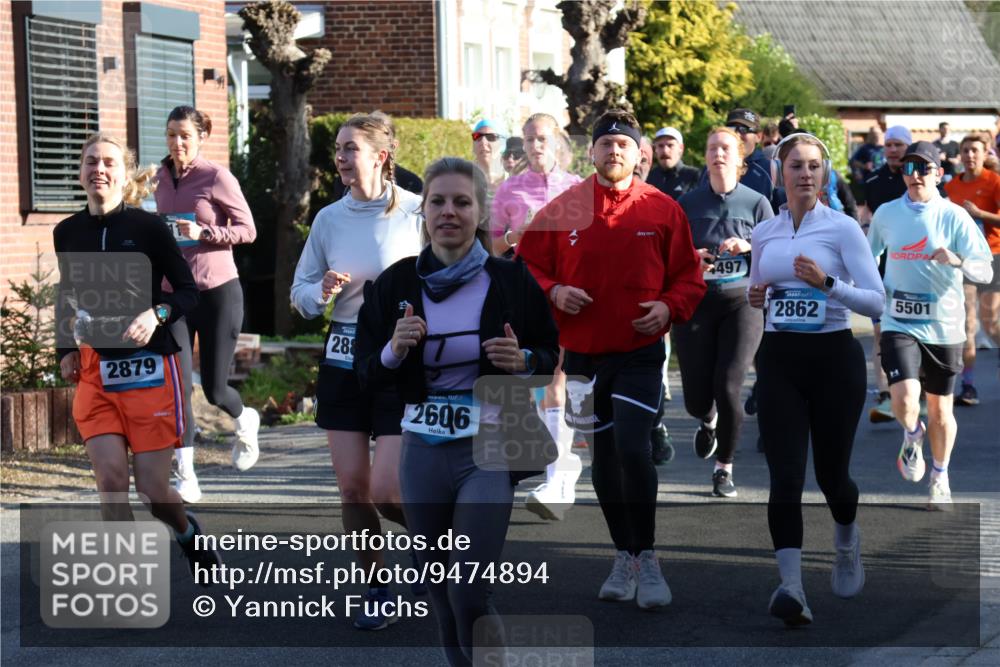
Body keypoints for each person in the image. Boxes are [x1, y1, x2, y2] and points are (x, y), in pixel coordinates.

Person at [355, 157, 560, 666]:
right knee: (435, 582)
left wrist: (525, 360)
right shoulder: (395, 284)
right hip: (422, 446)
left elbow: (549, 351)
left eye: (462, 202)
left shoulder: (510, 280)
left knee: (469, 587)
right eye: (439, 202)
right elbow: (366, 371)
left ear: (481, 212)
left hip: (489, 446)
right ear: (422, 210)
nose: (449, 212)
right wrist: (393, 351)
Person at [517, 110, 706, 609]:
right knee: (602, 457)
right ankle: (624, 555)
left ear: (639, 153)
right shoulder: (567, 207)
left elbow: (689, 278)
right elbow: (526, 265)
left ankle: (648, 557)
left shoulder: (663, 209)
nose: (614, 151)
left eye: (624, 144)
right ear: (593, 152)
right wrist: (554, 290)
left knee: (632, 446)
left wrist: (669, 305)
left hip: (641, 353)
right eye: (606, 144)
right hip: (582, 355)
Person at [54, 132, 221, 579]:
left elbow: (188, 292)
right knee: (110, 482)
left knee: (152, 491)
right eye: (90, 162)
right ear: (80, 172)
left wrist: (157, 314)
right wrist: (66, 347)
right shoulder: (66, 232)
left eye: (108, 162)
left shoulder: (147, 228)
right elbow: (67, 293)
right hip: (96, 373)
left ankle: (187, 533)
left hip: (150, 370)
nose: (98, 170)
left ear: (124, 173)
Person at [290, 112, 423, 630]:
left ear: (380, 156)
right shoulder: (328, 220)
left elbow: (446, 275)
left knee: (389, 491)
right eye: (339, 149)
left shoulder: (415, 212)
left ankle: (442, 550)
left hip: (398, 361)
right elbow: (299, 297)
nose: (342, 157)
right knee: (352, 489)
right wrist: (318, 290)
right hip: (344, 359)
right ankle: (376, 586)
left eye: (351, 148)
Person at [749, 133, 884, 626]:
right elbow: (757, 289)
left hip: (833, 359)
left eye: (813, 166)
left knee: (831, 477)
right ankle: (791, 586)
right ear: (779, 174)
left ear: (823, 175)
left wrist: (826, 284)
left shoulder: (844, 228)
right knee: (784, 476)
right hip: (780, 359)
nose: (805, 173)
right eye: (795, 166)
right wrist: (757, 298)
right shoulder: (765, 232)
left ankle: (847, 540)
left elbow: (876, 302)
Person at [869, 141, 993, 509]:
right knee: (905, 399)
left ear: (939, 174)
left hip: (944, 324)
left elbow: (984, 269)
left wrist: (957, 261)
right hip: (899, 320)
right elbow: (866, 254)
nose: (915, 175)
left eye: (924, 168)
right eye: (909, 168)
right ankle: (911, 434)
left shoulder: (955, 216)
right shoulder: (887, 214)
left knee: (941, 411)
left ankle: (940, 474)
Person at [155, 106, 259, 503]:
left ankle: (244, 418)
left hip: (217, 291)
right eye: (170, 135)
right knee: (178, 388)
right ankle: (186, 473)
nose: (177, 143)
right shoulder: (160, 178)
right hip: (173, 294)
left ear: (201, 137)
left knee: (215, 389)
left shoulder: (217, 177)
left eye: (184, 135)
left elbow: (248, 230)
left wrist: (204, 232)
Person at [491, 112, 582, 519]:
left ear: (558, 141)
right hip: (520, 294)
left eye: (542, 139)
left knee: (554, 385)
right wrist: (516, 236)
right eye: (528, 140)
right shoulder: (508, 190)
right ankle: (562, 465)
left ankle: (556, 478)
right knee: (525, 387)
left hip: (561, 297)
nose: (534, 147)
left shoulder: (577, 188)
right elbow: (493, 246)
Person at [675, 127, 773, 498]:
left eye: (726, 147)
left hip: (742, 304)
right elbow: (671, 257)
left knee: (730, 383)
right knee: (696, 398)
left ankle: (724, 468)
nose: (718, 153)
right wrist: (693, 258)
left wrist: (748, 246)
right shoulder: (687, 203)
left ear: (740, 158)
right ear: (705, 157)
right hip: (696, 304)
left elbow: (775, 251)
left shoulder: (757, 202)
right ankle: (708, 418)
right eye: (712, 146)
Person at [943, 132, 1000, 405]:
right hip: (963, 259)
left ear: (985, 152)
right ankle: (968, 385)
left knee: (990, 322)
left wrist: (980, 214)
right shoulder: (952, 186)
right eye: (965, 150)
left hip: (993, 256)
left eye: (974, 150)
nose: (969, 155)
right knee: (967, 323)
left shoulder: (994, 182)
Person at [864, 125, 912, 423]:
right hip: (881, 269)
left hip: (912, 267)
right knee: (881, 332)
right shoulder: (872, 181)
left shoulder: (918, 180)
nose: (892, 150)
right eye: (888, 145)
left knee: (909, 333)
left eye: (898, 145)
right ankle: (884, 393)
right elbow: (868, 222)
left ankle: (911, 386)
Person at [330, 112, 423, 199]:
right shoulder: (328, 214)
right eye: (337, 148)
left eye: (351, 148)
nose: (340, 157)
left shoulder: (412, 196)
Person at [726, 108, 774, 201]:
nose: (737, 134)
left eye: (743, 130)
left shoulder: (769, 171)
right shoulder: (712, 168)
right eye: (731, 129)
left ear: (759, 137)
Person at [646, 127, 700, 199]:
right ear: (655, 149)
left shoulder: (695, 176)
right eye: (660, 146)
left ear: (681, 148)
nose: (665, 151)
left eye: (670, 145)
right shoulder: (649, 177)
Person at [471, 119, 505, 190]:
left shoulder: (513, 176)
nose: (483, 142)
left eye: (491, 137)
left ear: (501, 143)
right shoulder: (463, 177)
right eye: (478, 136)